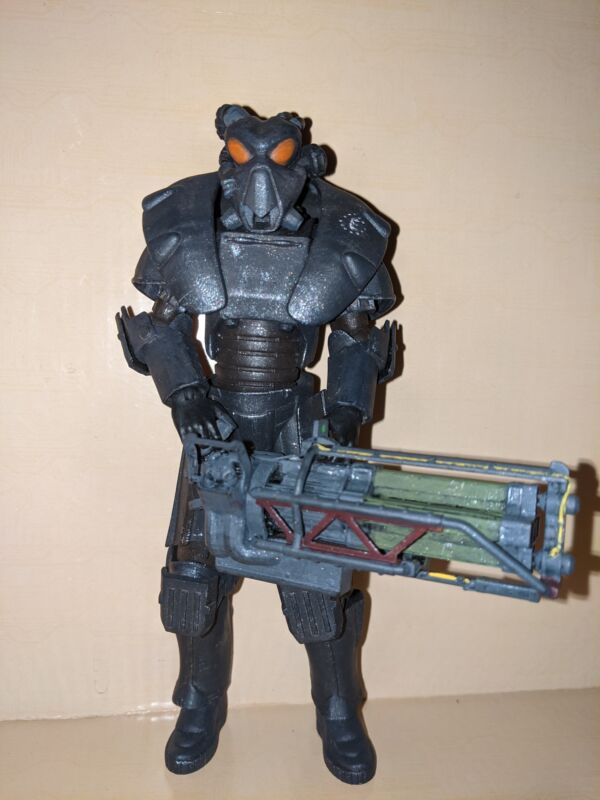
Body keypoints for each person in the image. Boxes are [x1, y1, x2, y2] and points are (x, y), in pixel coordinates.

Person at [117, 105, 397, 784]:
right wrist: (186, 392)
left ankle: (338, 711)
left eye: (280, 163)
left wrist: (346, 412)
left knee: (318, 586)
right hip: (216, 423)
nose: (263, 186)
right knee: (194, 580)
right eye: (247, 162)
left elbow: (358, 339)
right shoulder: (193, 235)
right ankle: (200, 705)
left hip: (299, 424)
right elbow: (161, 328)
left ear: (307, 166)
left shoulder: (339, 237)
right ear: (228, 165)